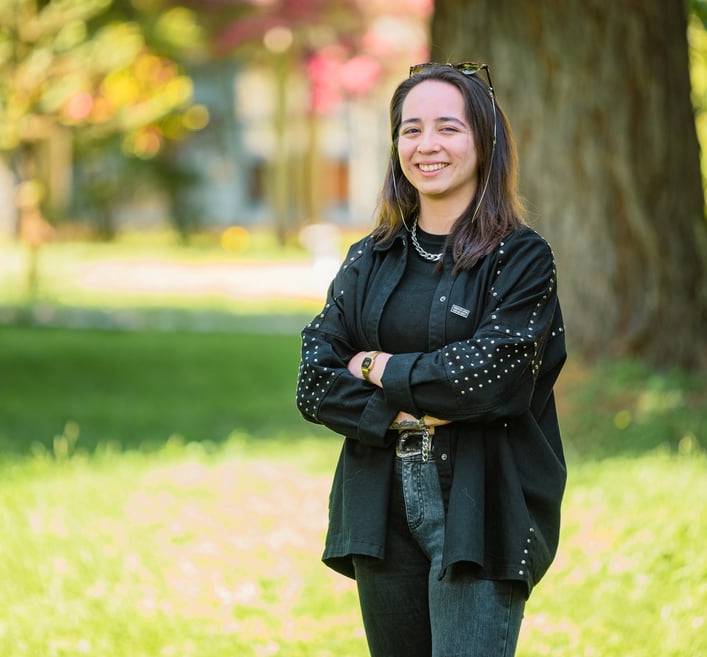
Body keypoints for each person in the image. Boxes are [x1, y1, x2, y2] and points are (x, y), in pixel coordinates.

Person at [296, 61, 567, 657]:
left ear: (485, 141)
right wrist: (409, 412)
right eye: (411, 129)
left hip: (481, 506)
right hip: (379, 503)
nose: (427, 145)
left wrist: (375, 367)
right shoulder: (369, 257)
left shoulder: (521, 258)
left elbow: (493, 379)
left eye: (449, 127)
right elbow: (314, 380)